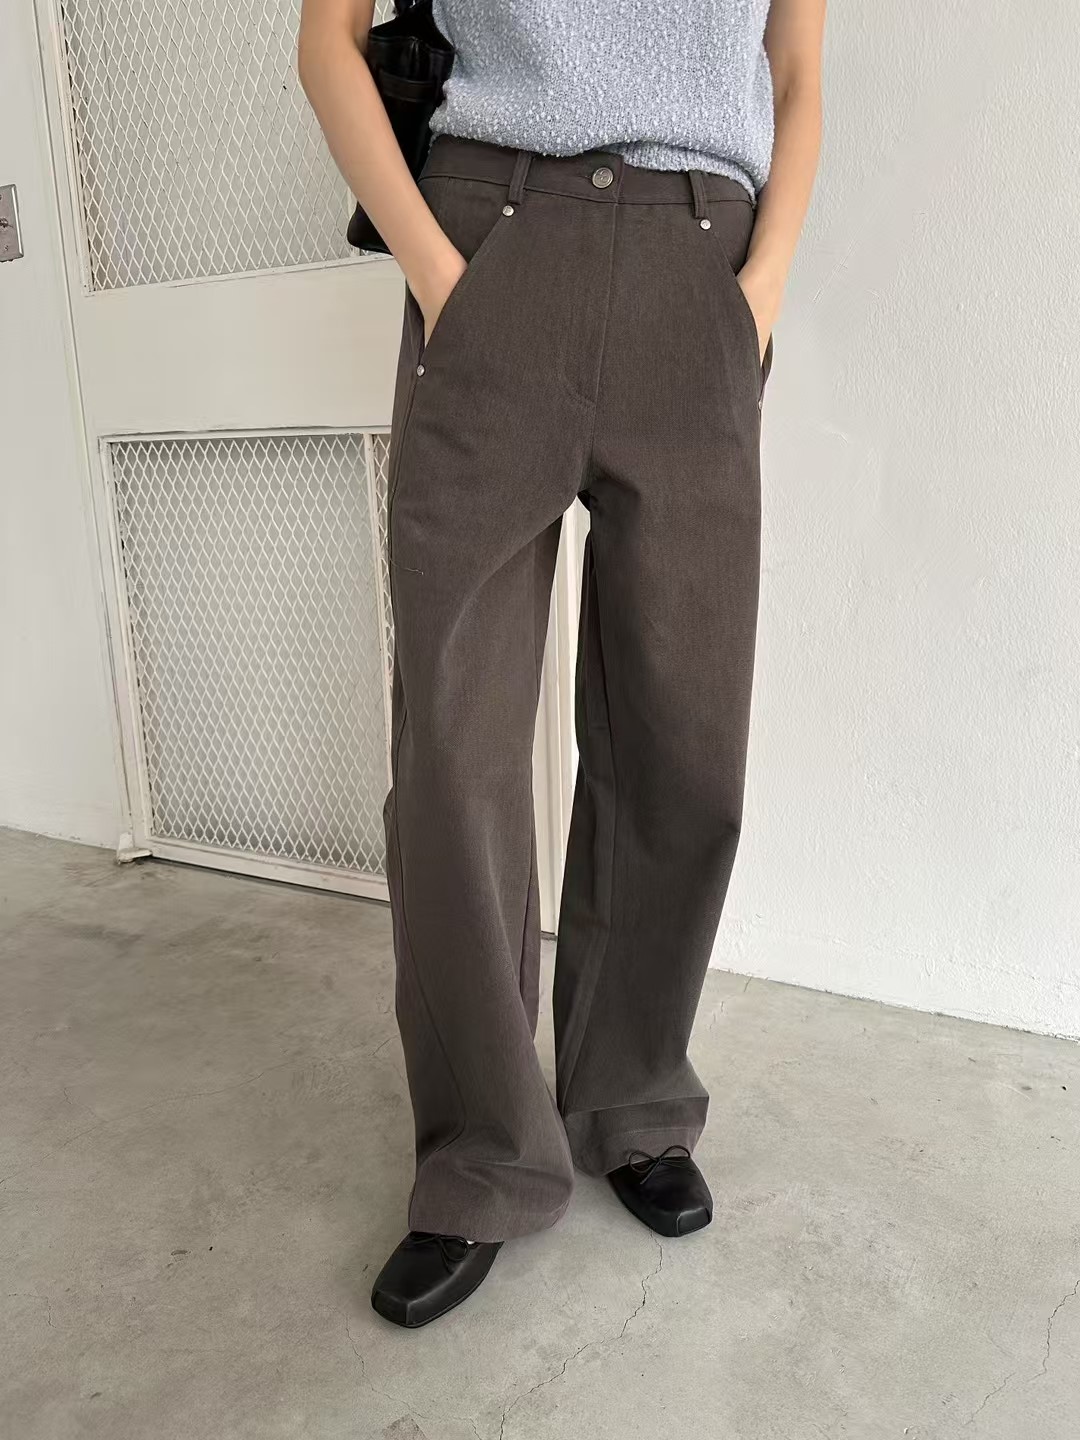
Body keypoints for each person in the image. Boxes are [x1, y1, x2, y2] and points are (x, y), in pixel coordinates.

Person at [298, 0, 826, 1328]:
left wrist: (760, 289)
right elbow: (326, 40)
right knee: (453, 753)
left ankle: (633, 1099)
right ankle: (481, 1156)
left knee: (683, 739)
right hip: (493, 236)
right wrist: (442, 278)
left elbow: (797, 68)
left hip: (703, 260)